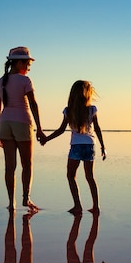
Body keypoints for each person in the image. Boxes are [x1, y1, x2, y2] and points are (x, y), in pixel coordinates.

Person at [41, 80, 106, 214]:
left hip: (76, 147)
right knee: (90, 177)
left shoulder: (68, 111)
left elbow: (60, 130)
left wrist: (47, 139)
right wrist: (103, 147)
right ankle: (96, 206)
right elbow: (98, 129)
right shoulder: (92, 110)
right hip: (89, 145)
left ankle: (78, 205)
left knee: (71, 176)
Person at [0, 46, 45, 211]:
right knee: (27, 164)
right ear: (19, 63)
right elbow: (33, 105)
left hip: (5, 123)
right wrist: (40, 128)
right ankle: (26, 199)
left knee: (10, 167)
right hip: (22, 122)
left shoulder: (0, 82)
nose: (29, 67)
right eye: (28, 63)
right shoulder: (25, 81)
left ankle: (11, 203)